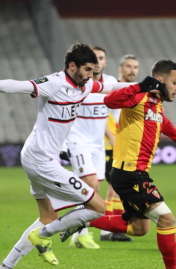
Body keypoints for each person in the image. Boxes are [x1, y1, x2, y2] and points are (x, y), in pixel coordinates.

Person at [0, 43, 132, 269]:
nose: (92, 75)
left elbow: (112, 86)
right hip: (41, 161)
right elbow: (17, 86)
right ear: (72, 66)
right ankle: (44, 236)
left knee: (47, 216)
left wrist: (146, 86)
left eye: (94, 70)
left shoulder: (85, 84)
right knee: (97, 207)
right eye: (88, 70)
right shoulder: (54, 82)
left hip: (34, 155)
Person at [63, 59, 176, 269]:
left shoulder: (156, 103)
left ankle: (81, 219)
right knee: (167, 219)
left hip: (134, 174)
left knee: (139, 228)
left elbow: (163, 123)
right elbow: (110, 101)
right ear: (160, 80)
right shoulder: (140, 96)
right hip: (131, 174)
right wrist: (139, 86)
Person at [64, 46, 120, 248]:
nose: (97, 62)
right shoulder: (78, 83)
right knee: (90, 185)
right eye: (94, 58)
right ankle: (82, 231)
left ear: (105, 62)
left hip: (97, 146)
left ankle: (76, 234)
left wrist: (115, 138)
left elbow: (114, 115)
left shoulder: (112, 83)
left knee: (95, 189)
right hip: (78, 142)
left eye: (101, 58)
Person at [100, 54, 139, 242]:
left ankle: (111, 229)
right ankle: (108, 229)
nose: (132, 70)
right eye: (129, 66)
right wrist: (114, 140)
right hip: (111, 145)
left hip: (126, 145)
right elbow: (103, 115)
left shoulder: (135, 90)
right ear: (120, 69)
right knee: (115, 186)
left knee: (116, 187)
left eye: (135, 67)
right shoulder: (113, 87)